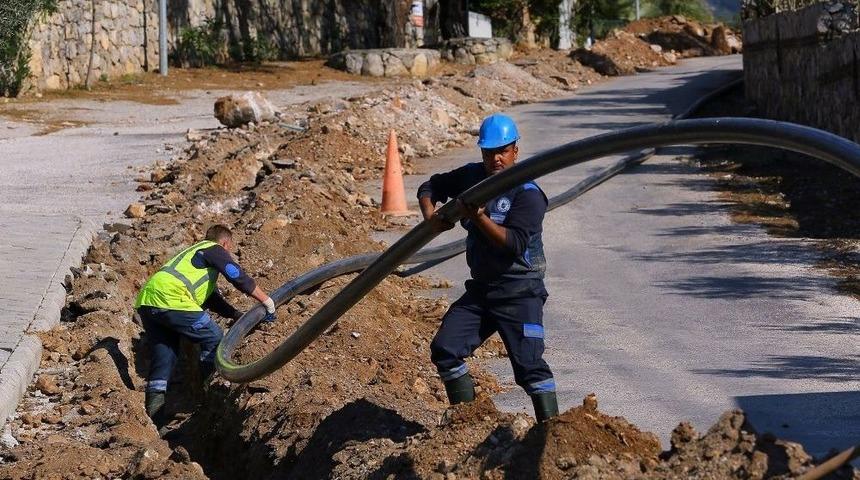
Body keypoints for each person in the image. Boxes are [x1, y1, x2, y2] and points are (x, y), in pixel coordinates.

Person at [417, 113, 559, 422]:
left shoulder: (528, 194)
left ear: (515, 151)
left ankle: (550, 436)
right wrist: (430, 215)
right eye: (489, 152)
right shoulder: (472, 177)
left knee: (530, 369)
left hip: (520, 292)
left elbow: (514, 244)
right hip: (482, 291)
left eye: (502, 151)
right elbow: (432, 185)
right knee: (446, 348)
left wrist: (479, 217)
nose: (495, 159)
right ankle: (465, 427)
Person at [134, 224, 278, 425]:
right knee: (214, 337)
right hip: (172, 299)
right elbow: (236, 275)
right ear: (225, 244)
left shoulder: (194, 254)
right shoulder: (214, 249)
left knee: (164, 356)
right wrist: (267, 301)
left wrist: (234, 314)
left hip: (148, 301)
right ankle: (207, 395)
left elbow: (211, 298)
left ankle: (156, 419)